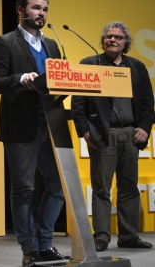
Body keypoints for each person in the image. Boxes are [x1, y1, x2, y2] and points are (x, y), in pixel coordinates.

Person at [0, 0, 66, 266]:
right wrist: (20, 78)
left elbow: (59, 82)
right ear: (20, 10)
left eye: (44, 8)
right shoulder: (5, 42)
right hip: (21, 126)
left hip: (52, 124)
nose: (41, 13)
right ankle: (29, 248)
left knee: (58, 186)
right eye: (35, 8)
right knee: (24, 189)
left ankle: (45, 242)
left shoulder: (53, 45)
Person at [71, 21, 154, 252]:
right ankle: (102, 237)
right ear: (103, 40)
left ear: (125, 42)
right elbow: (78, 102)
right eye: (108, 36)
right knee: (101, 189)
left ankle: (128, 236)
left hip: (131, 134)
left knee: (129, 187)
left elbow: (148, 103)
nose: (112, 40)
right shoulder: (90, 64)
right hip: (102, 134)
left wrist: (145, 127)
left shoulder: (137, 67)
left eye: (117, 37)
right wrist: (85, 131)